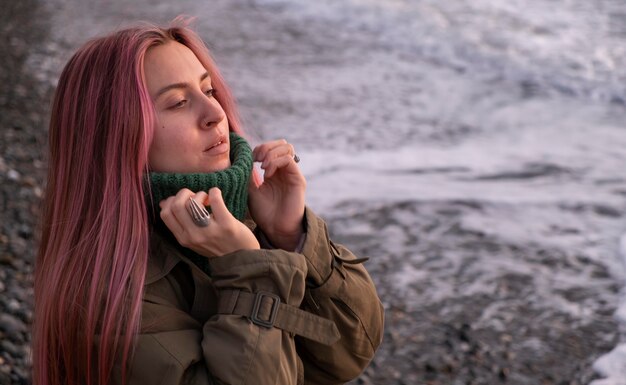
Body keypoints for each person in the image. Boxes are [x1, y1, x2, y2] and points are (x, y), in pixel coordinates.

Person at [33, 19, 384, 385]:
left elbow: (346, 351)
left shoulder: (235, 224)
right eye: (179, 102)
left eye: (209, 90)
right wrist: (250, 272)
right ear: (116, 136)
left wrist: (292, 236)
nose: (215, 114)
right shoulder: (109, 295)